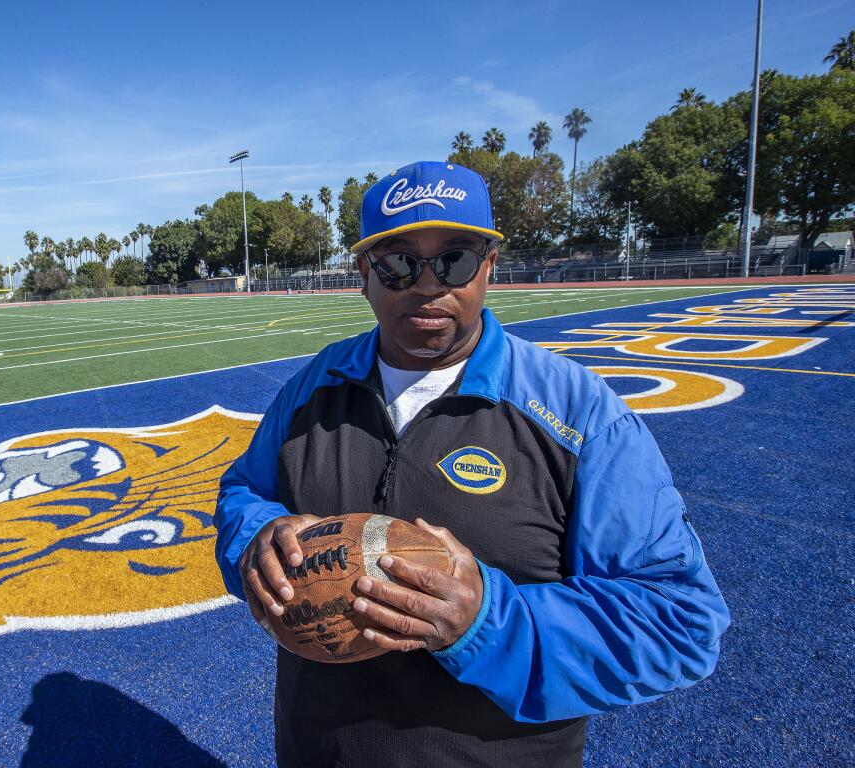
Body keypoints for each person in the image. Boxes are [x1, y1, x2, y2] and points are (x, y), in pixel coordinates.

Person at [213, 161, 729, 768]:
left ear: (488, 266)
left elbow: (679, 620)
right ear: (363, 274)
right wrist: (255, 541)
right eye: (398, 261)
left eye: (454, 259)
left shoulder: (578, 411)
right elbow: (244, 491)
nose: (428, 285)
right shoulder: (312, 386)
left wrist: (487, 623)